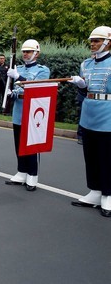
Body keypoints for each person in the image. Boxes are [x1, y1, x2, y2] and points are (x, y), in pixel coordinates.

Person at [69, 25, 111, 217]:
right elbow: (84, 91)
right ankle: (94, 190)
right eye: (92, 41)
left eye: (97, 41)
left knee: (106, 157)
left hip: (108, 114)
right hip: (89, 112)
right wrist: (82, 86)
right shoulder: (86, 64)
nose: (93, 44)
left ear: (108, 42)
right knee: (91, 155)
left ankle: (108, 194)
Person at [4, 40, 50, 191]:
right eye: (24, 51)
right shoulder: (19, 68)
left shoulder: (43, 70)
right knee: (19, 143)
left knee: (31, 144)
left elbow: (36, 86)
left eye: (28, 51)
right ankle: (21, 171)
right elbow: (18, 89)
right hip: (19, 108)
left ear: (37, 53)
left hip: (34, 110)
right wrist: (12, 94)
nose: (25, 54)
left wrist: (18, 77)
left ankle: (32, 175)